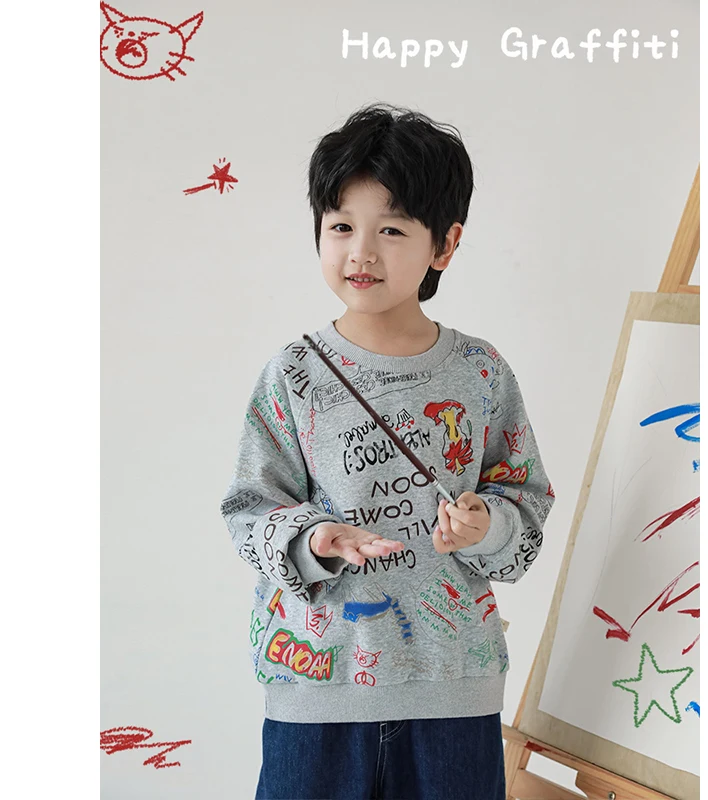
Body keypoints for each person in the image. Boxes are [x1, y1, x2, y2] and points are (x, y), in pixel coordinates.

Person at [220, 102, 556, 800]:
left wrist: (486, 526)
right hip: (317, 683)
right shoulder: (293, 374)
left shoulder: (481, 372)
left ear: (445, 244)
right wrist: (314, 538)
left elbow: (524, 499)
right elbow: (251, 508)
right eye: (341, 226)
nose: (361, 252)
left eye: (392, 229)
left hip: (453, 685)